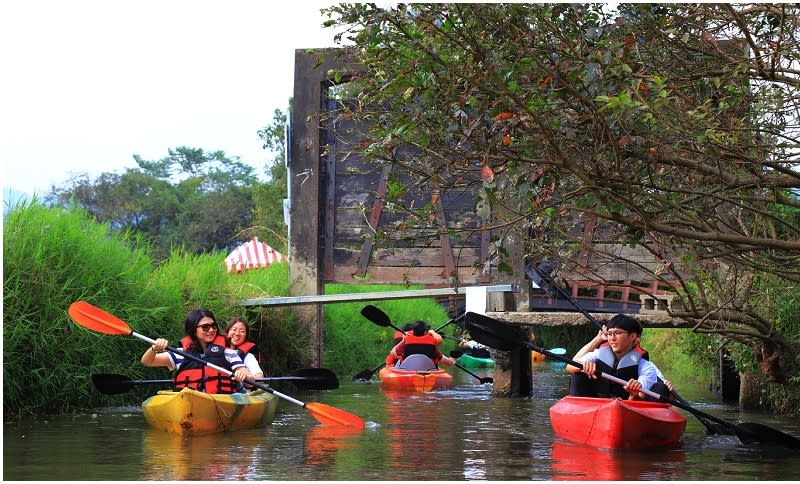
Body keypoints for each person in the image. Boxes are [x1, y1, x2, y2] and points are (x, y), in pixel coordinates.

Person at [142, 308, 250, 394]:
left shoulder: (228, 353)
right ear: (194, 330)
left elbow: (249, 378)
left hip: (221, 402)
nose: (211, 330)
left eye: (213, 326)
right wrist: (154, 348)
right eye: (205, 327)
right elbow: (147, 361)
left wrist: (243, 375)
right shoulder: (180, 354)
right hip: (189, 402)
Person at [566, 314, 670, 400]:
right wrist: (583, 366)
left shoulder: (646, 367)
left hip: (627, 406)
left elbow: (640, 399)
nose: (612, 338)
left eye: (617, 333)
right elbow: (569, 367)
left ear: (633, 337)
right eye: (610, 334)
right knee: (578, 375)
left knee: (661, 388)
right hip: (594, 405)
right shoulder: (598, 354)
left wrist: (633, 395)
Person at [385, 320, 455, 368]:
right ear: (425, 332)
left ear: (413, 331)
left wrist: (403, 339)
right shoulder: (431, 343)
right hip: (427, 372)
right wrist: (452, 361)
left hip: (408, 371)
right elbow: (446, 361)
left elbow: (394, 353)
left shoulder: (406, 341)